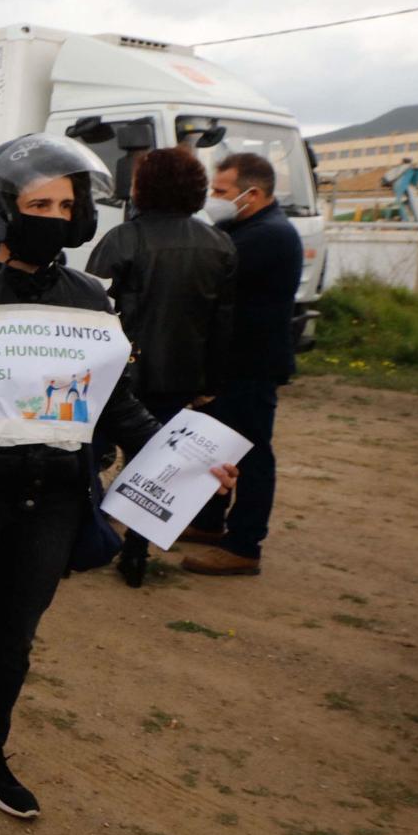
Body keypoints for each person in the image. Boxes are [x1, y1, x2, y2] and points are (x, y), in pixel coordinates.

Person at [0, 135, 235, 835]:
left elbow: (121, 408)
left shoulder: (93, 300)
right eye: (40, 203)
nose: (56, 217)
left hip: (54, 500)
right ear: (1, 210)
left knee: (12, 641)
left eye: (67, 205)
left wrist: (196, 456)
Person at [85, 146, 237, 586]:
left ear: (143, 187)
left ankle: (87, 538)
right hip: (181, 375)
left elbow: (95, 316)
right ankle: (136, 552)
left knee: (90, 456)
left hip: (116, 375)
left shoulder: (121, 239)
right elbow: (222, 323)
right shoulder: (220, 245)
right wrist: (211, 382)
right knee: (156, 465)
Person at [182, 151, 304, 578]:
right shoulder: (247, 226)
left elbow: (206, 270)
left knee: (251, 454)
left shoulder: (268, 235)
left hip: (252, 364)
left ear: (252, 194)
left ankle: (244, 545)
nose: (213, 199)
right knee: (219, 444)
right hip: (233, 361)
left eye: (221, 192)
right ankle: (210, 523)